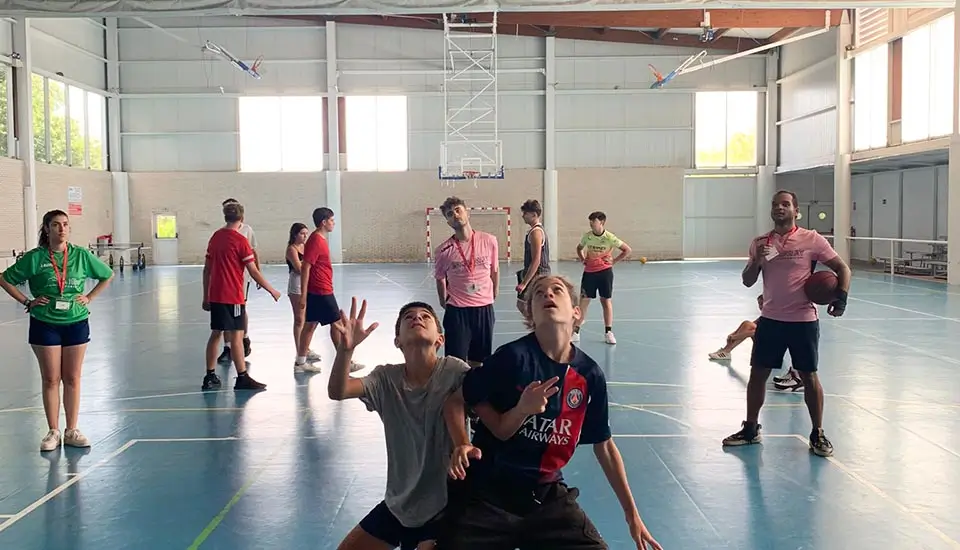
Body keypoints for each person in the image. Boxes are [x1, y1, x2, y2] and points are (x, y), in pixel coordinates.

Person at [439, 274, 662, 550]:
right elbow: (457, 399)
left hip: (546, 497)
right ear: (530, 313)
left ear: (576, 312)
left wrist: (632, 515)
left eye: (557, 290)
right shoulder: (512, 357)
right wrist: (462, 441)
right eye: (539, 293)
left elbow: (604, 446)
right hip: (488, 493)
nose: (548, 295)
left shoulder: (589, 375)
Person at [328, 298, 469, 550]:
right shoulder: (385, 379)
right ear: (397, 342)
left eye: (426, 316)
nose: (417, 318)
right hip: (400, 503)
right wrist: (345, 351)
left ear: (440, 339)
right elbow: (338, 391)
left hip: (446, 505)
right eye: (409, 318)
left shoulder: (455, 372)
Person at [723, 189, 850, 457]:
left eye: (785, 204)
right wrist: (757, 259)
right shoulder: (761, 242)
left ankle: (817, 433)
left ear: (796, 210)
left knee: (809, 376)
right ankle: (751, 429)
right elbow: (747, 281)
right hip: (770, 320)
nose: (779, 208)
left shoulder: (812, 240)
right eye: (775, 204)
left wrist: (842, 298)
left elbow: (842, 269)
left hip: (803, 321)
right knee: (758, 375)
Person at [0, 209, 114, 452]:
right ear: (47, 229)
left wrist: (89, 297)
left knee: (72, 377)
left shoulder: (81, 255)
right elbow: (5, 278)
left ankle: (71, 430)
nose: (61, 229)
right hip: (45, 322)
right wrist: (27, 301)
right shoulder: (36, 257)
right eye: (55, 225)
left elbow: (107, 275)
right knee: (51, 379)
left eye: (65, 224)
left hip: (76, 321)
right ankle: (53, 431)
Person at [202, 201, 279, 392]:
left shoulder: (215, 237)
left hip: (216, 294)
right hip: (233, 295)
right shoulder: (240, 241)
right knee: (237, 336)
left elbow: (207, 270)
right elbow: (253, 271)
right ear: (241, 219)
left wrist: (206, 296)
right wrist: (271, 289)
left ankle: (210, 375)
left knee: (216, 333)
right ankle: (242, 377)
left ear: (225, 217)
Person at [433, 196, 499, 367]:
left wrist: (494, 293)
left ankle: (476, 392)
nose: (455, 215)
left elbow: (494, 270)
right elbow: (440, 278)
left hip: (484, 309)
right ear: (448, 222)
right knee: (455, 362)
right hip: (458, 311)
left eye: (457, 210)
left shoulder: (490, 241)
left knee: (480, 360)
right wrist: (444, 301)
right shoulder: (443, 250)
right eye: (449, 214)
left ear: (466, 212)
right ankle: (455, 393)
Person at [297, 207, 361, 373]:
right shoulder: (316, 240)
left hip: (321, 289)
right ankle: (345, 362)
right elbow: (306, 267)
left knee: (311, 325)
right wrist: (303, 295)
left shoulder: (319, 239)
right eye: (331, 220)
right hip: (321, 290)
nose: (333, 223)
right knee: (337, 324)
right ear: (324, 222)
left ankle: (300, 363)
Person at [707, 295, 800, 390]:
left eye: (762, 304)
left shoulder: (775, 317)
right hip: (766, 345)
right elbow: (748, 327)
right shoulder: (765, 316)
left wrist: (735, 336)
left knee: (751, 327)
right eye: (759, 304)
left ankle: (726, 351)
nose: (760, 307)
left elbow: (755, 333)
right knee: (747, 323)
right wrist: (732, 335)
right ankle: (726, 351)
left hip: (773, 351)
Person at [573, 211, 631, 345]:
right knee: (584, 302)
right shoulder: (587, 237)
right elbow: (579, 248)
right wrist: (583, 259)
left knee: (606, 301)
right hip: (589, 273)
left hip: (605, 273)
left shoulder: (610, 237)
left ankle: (608, 332)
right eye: (590, 221)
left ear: (602, 223)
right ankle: (576, 331)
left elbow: (627, 250)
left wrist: (614, 261)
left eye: (594, 221)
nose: (591, 224)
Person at [217, 198, 258, 366]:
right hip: (227, 281)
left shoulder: (247, 231)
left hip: (242, 278)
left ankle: (244, 337)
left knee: (240, 309)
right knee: (227, 315)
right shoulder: (220, 234)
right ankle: (228, 348)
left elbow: (254, 253)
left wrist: (258, 274)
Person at [285, 222, 321, 371]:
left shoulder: (306, 248)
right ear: (295, 234)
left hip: (308, 284)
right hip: (296, 286)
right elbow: (300, 269)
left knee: (308, 318)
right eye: (302, 233)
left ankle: (305, 348)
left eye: (306, 233)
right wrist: (308, 265)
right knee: (299, 319)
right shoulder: (291, 249)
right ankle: (300, 349)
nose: (305, 236)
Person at [515, 199, 550, 313]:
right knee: (525, 305)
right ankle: (538, 327)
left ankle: (539, 328)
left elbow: (536, 260)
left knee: (525, 305)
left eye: (525, 213)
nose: (523, 216)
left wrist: (524, 283)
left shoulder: (536, 232)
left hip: (538, 275)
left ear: (534, 215)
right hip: (536, 274)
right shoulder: (534, 231)